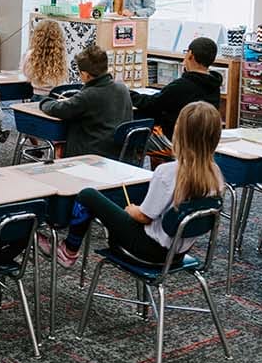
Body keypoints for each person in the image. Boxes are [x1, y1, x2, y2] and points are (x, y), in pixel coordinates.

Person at [59, 103, 225, 269]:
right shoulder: (216, 174)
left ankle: (69, 250)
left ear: (178, 133)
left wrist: (131, 209)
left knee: (88, 195)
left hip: (146, 249)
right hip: (177, 253)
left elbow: (143, 217)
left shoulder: (167, 172)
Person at [37, 44, 133, 158]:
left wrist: (44, 101)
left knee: (60, 141)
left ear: (85, 75)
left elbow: (58, 109)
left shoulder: (88, 96)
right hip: (120, 152)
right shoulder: (122, 89)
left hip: (93, 153)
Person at [136, 36, 222, 150]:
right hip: (201, 143)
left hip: (175, 141)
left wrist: (127, 93)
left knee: (133, 138)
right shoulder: (214, 85)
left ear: (190, 54)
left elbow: (151, 104)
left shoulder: (182, 85)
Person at [22, 18, 69, 93]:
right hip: (56, 97)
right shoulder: (60, 56)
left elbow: (26, 74)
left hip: (37, 95)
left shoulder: (30, 54)